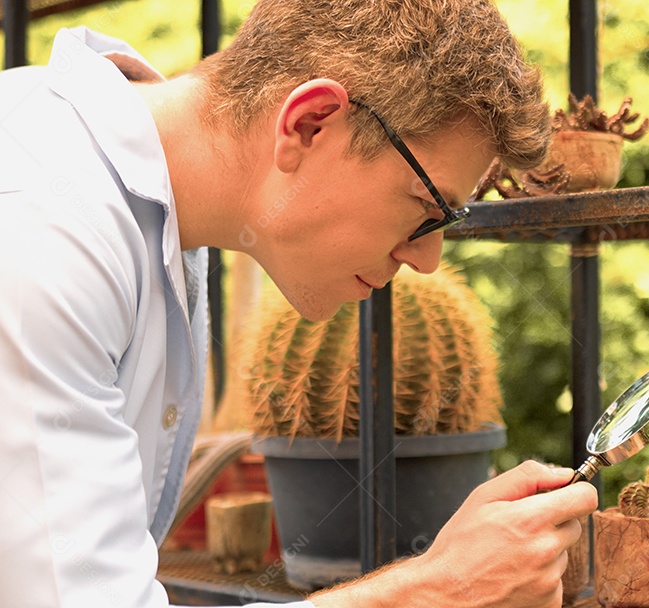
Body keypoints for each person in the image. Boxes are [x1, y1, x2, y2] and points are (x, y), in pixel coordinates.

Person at [0, 0, 597, 606]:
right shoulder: (40, 225)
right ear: (309, 124)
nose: (428, 259)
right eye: (427, 209)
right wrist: (440, 588)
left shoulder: (138, 210)